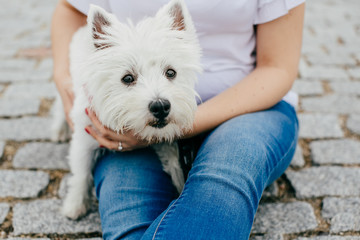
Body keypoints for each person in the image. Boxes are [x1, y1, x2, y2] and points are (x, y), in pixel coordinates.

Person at [51, 0, 305, 239]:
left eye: (170, 73)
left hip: (250, 110)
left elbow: (278, 67)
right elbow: (70, 8)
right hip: (128, 128)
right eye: (130, 79)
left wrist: (184, 125)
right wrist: (64, 76)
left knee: (221, 187)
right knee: (128, 217)